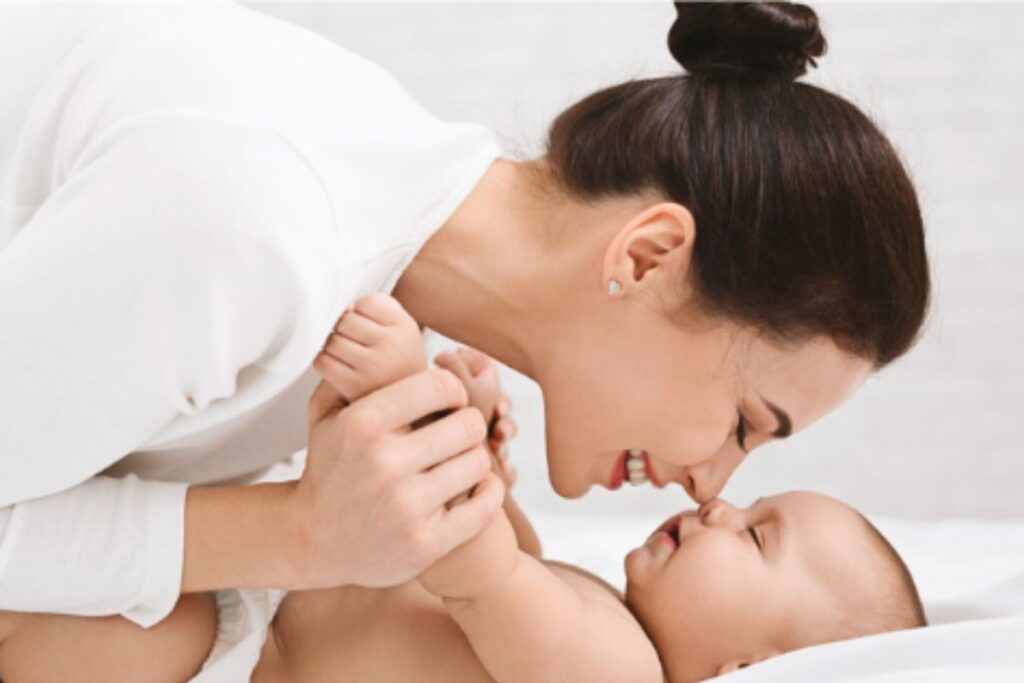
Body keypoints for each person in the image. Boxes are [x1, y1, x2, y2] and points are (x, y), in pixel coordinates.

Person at [0, 0, 929, 655]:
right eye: (744, 422)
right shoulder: (259, 228)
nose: (709, 483)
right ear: (646, 257)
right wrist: (302, 534)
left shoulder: (372, 250)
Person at [0, 294, 926, 682]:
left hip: (247, 662)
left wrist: (415, 393)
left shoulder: (617, 675)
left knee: (160, 625)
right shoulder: (605, 608)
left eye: (757, 535)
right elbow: (510, 553)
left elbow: (475, 571)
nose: (721, 503)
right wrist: (480, 447)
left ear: (746, 671)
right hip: (268, 598)